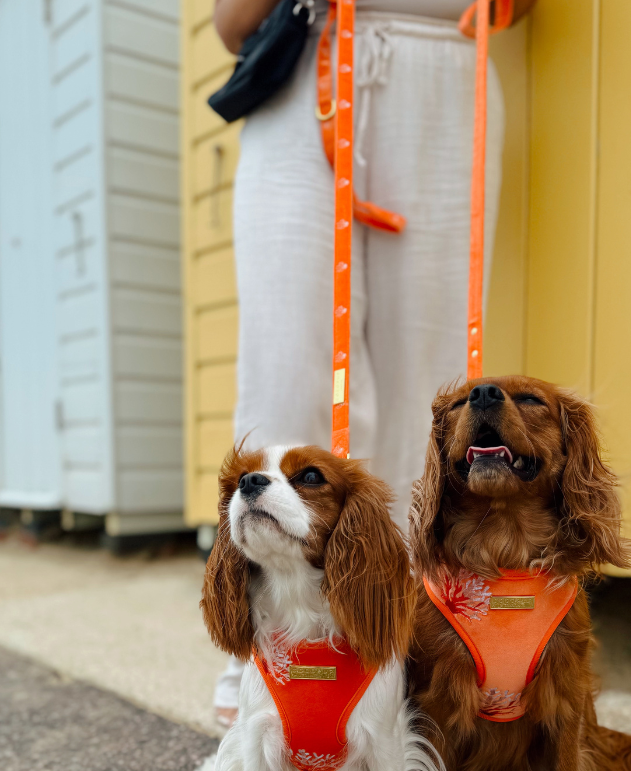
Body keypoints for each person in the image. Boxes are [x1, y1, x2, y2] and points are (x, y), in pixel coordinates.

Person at [212, 0, 538, 727]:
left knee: (430, 384)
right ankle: (266, 655)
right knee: (285, 372)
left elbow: (518, 10)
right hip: (310, 59)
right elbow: (231, 23)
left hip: (444, 70)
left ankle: (402, 640)